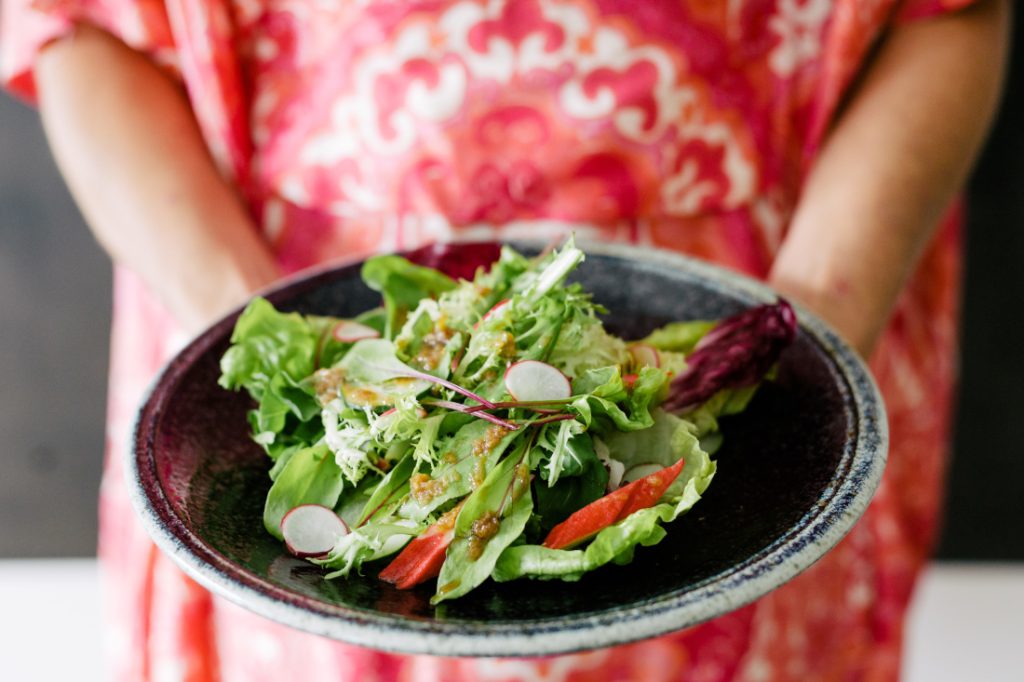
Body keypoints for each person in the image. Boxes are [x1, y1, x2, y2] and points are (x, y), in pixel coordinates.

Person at [1, 0, 1009, 679]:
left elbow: (951, 11)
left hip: (752, 305)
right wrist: (268, 343)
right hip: (284, 292)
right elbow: (77, 25)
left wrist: (782, 343)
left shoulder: (759, 349)